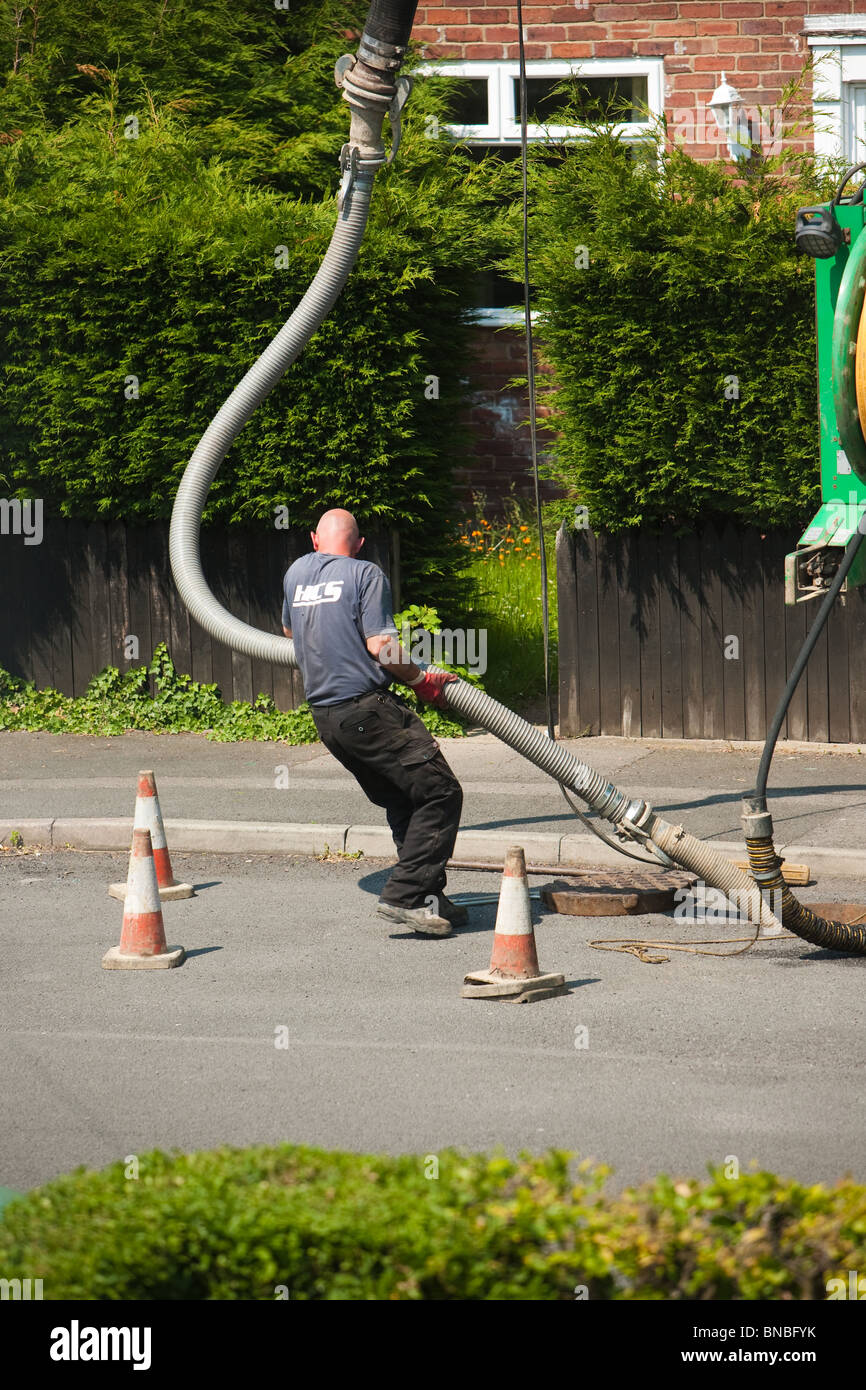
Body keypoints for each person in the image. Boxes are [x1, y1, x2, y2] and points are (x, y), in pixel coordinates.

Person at [282, 508, 464, 938]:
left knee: (406, 798)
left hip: (327, 719)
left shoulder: (295, 573)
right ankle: (403, 896)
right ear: (359, 544)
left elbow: (291, 634)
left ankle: (427, 899)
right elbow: (381, 644)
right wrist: (421, 681)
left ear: (314, 539)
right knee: (441, 792)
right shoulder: (365, 573)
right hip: (368, 711)